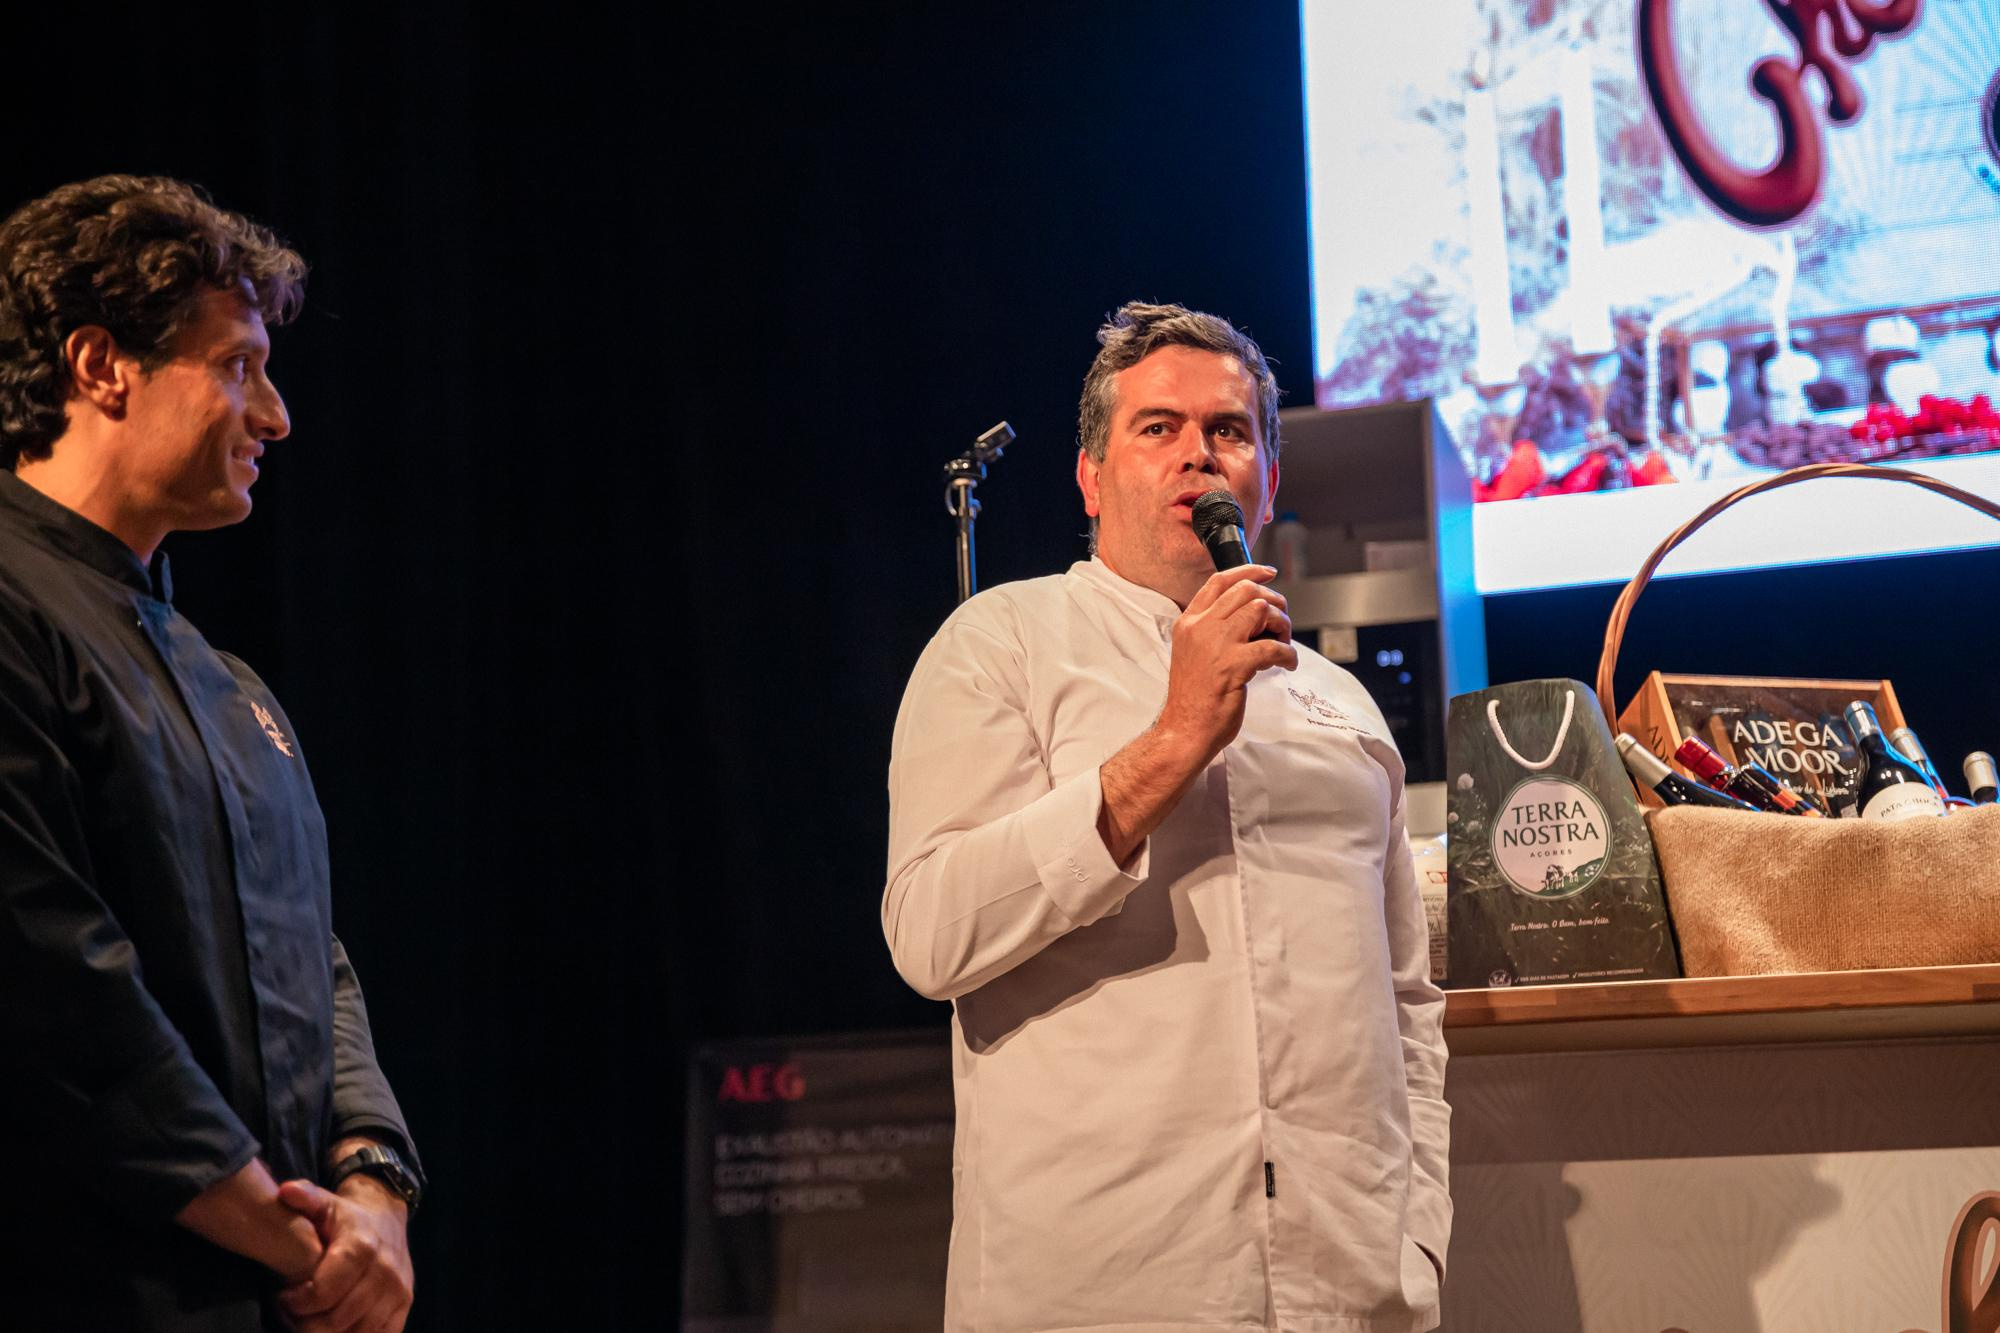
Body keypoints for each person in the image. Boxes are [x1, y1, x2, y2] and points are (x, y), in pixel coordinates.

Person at [884, 302, 1449, 1331]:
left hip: (1347, 1288)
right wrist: (1174, 736)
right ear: (1090, 476)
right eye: (1158, 428)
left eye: (1228, 431)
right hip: (1105, 1285)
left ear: (1267, 479)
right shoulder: (999, 643)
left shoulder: (1343, 703)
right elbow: (930, 934)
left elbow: (1406, 1000)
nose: (1198, 454)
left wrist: (1416, 1235)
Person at [0, 175, 422, 1333]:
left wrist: (375, 1188)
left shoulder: (231, 686)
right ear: (101, 367)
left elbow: (313, 959)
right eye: (237, 366)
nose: (275, 415)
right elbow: (44, 979)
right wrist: (290, 1237)